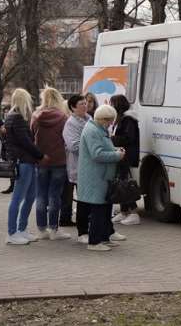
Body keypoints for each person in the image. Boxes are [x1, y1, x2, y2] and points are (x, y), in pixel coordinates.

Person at [77, 104, 126, 251]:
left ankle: (104, 238)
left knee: (105, 208)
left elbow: (103, 148)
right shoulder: (92, 131)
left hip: (102, 176)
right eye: (110, 120)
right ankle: (94, 242)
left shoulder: (98, 128)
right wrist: (117, 155)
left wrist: (116, 150)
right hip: (95, 177)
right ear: (103, 119)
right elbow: (97, 154)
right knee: (98, 209)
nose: (111, 124)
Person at [4, 88, 46, 245]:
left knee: (30, 196)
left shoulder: (13, 116)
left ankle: (21, 229)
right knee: (19, 197)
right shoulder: (17, 117)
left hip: (26, 161)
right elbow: (25, 142)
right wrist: (41, 155)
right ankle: (12, 232)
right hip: (24, 161)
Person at [32, 87, 71, 240]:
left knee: (41, 195)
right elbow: (66, 139)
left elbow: (31, 135)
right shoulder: (63, 117)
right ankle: (54, 229)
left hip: (41, 159)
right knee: (55, 195)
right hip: (59, 160)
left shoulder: (36, 116)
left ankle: (41, 229)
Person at [62, 94, 91, 242]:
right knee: (83, 200)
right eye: (81, 104)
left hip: (92, 167)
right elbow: (73, 145)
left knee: (91, 199)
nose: (85, 106)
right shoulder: (71, 123)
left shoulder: (90, 119)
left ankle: (95, 228)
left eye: (85, 103)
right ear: (73, 107)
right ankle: (82, 232)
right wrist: (92, 146)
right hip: (78, 168)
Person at [109, 94, 141, 226]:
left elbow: (128, 138)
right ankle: (124, 211)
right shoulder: (121, 119)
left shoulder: (128, 119)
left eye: (112, 104)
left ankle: (133, 212)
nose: (111, 107)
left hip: (126, 155)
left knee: (125, 184)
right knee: (120, 183)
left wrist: (111, 139)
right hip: (120, 154)